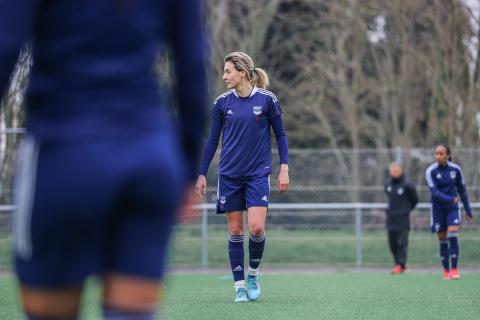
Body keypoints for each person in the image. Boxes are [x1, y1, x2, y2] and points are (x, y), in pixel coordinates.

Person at [0, 1, 208, 319]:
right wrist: (187, 168)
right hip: (148, 158)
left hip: (64, 157)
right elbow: (192, 63)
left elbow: (6, 43)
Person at [195, 52, 289, 302]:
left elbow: (280, 135)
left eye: (228, 71)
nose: (224, 76)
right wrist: (202, 173)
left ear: (242, 73)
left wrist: (284, 167)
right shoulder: (222, 103)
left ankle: (253, 274)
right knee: (235, 229)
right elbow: (212, 140)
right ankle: (239, 287)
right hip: (229, 176)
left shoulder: (268, 100)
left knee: (256, 228)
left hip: (258, 174)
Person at [425, 145, 474, 280]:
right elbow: (434, 192)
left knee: (453, 234)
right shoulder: (430, 171)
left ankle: (454, 268)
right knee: (443, 239)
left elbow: (462, 190)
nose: (438, 156)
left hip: (452, 208)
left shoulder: (456, 169)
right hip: (438, 209)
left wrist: (468, 209)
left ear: (447, 155)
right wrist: (450, 199)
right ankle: (446, 270)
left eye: (441, 153)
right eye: (436, 153)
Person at [384, 162, 418, 275]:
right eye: (392, 170)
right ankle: (400, 265)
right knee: (392, 243)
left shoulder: (407, 184)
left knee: (402, 243)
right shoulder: (388, 184)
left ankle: (400, 264)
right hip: (391, 219)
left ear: (401, 171)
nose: (393, 172)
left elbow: (415, 200)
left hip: (403, 219)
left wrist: (406, 210)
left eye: (396, 170)